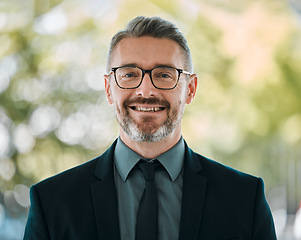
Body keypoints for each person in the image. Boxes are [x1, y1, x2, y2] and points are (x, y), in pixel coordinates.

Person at [23, 16, 277, 240]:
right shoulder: (52, 203)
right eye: (129, 74)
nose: (146, 90)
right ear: (109, 88)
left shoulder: (245, 198)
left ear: (190, 89)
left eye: (165, 74)